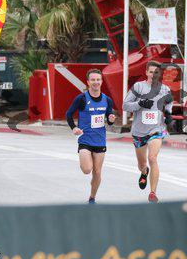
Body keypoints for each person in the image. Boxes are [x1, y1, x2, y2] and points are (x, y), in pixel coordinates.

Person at [123, 61, 173, 203]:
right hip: (139, 132)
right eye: (150, 72)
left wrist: (168, 114)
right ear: (146, 72)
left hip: (156, 129)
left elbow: (169, 102)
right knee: (142, 164)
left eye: (156, 72)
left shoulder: (165, 89)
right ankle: (144, 171)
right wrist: (139, 103)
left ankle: (152, 193)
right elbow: (125, 105)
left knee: (152, 158)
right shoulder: (138, 87)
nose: (153, 75)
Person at [66, 69, 116, 204]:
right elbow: (68, 114)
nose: (96, 82)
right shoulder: (81, 98)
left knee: (97, 172)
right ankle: (87, 164)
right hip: (85, 139)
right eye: (93, 80)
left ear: (101, 81)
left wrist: (111, 119)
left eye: (98, 79)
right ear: (88, 82)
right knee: (87, 169)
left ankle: (92, 197)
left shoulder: (107, 100)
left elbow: (109, 118)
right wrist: (74, 128)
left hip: (100, 140)